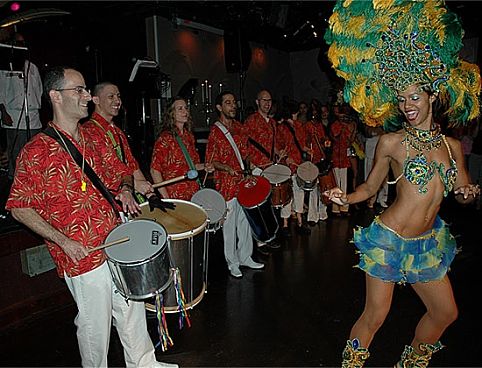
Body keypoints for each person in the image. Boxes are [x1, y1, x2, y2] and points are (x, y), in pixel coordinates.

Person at [325, 1, 481, 366]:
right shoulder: (392, 142)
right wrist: (344, 196)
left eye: (414, 96)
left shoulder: (452, 147)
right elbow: (369, 189)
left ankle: (411, 363)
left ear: (431, 96)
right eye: (402, 98)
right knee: (375, 317)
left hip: (427, 245)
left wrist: (467, 192)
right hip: (389, 241)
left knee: (445, 313)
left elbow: (461, 189)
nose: (407, 104)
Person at [6, 66, 177, 368]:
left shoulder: (94, 139)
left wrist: (124, 190)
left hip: (116, 240)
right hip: (81, 254)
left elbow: (123, 174)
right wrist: (63, 242)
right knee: (94, 326)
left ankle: (145, 364)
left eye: (86, 89)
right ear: (55, 96)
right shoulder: (36, 151)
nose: (87, 96)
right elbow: (19, 207)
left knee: (131, 308)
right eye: (79, 90)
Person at [206, 91, 264, 278]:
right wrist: (226, 168)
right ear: (219, 107)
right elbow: (211, 161)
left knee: (245, 221)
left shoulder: (240, 127)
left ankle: (246, 256)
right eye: (228, 103)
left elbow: (246, 154)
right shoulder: (215, 131)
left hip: (243, 182)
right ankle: (232, 262)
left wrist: (249, 171)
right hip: (227, 185)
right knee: (229, 226)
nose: (233, 106)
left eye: (234, 103)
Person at [83, 81, 154, 200]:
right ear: (96, 100)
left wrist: (150, 195)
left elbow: (132, 166)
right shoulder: (88, 130)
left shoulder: (117, 131)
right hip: (107, 200)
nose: (117, 101)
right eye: (111, 97)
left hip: (128, 196)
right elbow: (111, 169)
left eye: (118, 96)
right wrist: (135, 185)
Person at [150, 97, 213, 200]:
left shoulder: (189, 136)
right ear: (171, 114)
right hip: (175, 196)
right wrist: (165, 197)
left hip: (193, 194)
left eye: (186, 108)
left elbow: (192, 166)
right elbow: (154, 170)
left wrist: (205, 166)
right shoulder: (165, 138)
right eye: (180, 108)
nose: (185, 111)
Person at [0, 32, 43, 180]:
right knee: (16, 154)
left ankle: (35, 180)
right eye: (18, 43)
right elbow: (1, 90)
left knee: (35, 152)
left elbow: (39, 89)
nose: (21, 46)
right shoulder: (6, 67)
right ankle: (15, 181)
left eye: (23, 43)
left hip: (33, 117)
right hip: (14, 116)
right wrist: (3, 112)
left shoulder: (33, 67)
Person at [243, 89, 281, 250]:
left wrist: (279, 154)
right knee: (258, 205)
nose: (267, 103)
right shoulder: (250, 121)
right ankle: (260, 240)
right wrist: (249, 165)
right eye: (264, 100)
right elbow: (244, 144)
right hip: (257, 168)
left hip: (270, 166)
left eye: (269, 100)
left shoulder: (273, 123)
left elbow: (275, 145)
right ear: (257, 102)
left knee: (268, 203)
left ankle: (269, 235)